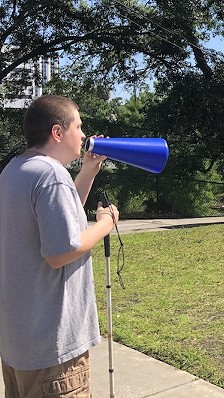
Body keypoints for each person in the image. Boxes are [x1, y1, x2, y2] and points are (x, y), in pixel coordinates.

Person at [0, 95, 119, 397]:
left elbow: (60, 222)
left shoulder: (16, 170)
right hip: (54, 351)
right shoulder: (52, 176)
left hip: (20, 346)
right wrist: (105, 224)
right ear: (57, 132)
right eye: (78, 126)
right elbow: (60, 251)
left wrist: (89, 171)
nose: (83, 134)